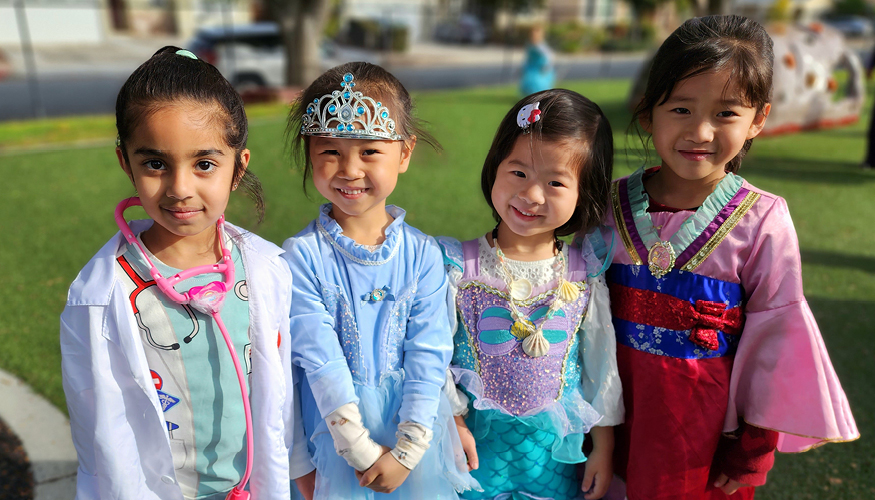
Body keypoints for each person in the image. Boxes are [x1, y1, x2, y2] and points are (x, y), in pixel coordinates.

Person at [604, 15, 859, 500]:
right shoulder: (606, 206)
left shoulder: (763, 221)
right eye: (680, 108)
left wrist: (755, 442)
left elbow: (777, 337)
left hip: (701, 435)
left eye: (725, 113)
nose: (700, 131)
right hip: (608, 415)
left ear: (758, 120)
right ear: (647, 113)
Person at [59, 46, 307, 499]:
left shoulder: (269, 269)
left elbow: (284, 396)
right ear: (125, 163)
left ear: (238, 168)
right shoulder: (100, 295)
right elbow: (102, 437)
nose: (179, 188)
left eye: (204, 164)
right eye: (155, 163)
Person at [283, 61, 480, 500]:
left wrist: (407, 451)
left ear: (404, 154)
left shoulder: (425, 255)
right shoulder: (301, 257)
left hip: (415, 432)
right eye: (329, 151)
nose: (349, 169)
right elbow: (320, 361)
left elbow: (429, 355)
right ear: (309, 152)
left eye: (369, 151)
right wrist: (360, 451)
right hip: (336, 439)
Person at [439, 90, 624, 500]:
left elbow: (600, 364)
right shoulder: (456, 267)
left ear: (584, 191)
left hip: (555, 460)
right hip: (472, 453)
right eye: (518, 172)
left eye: (555, 182)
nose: (531, 195)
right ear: (495, 166)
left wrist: (604, 446)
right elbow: (431, 357)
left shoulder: (585, 272)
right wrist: (452, 422)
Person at [520, 24, 556, 96]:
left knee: (538, 84)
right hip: (532, 67)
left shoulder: (540, 45)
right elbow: (528, 57)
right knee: (528, 83)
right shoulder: (530, 44)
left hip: (540, 68)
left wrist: (547, 66)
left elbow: (549, 55)